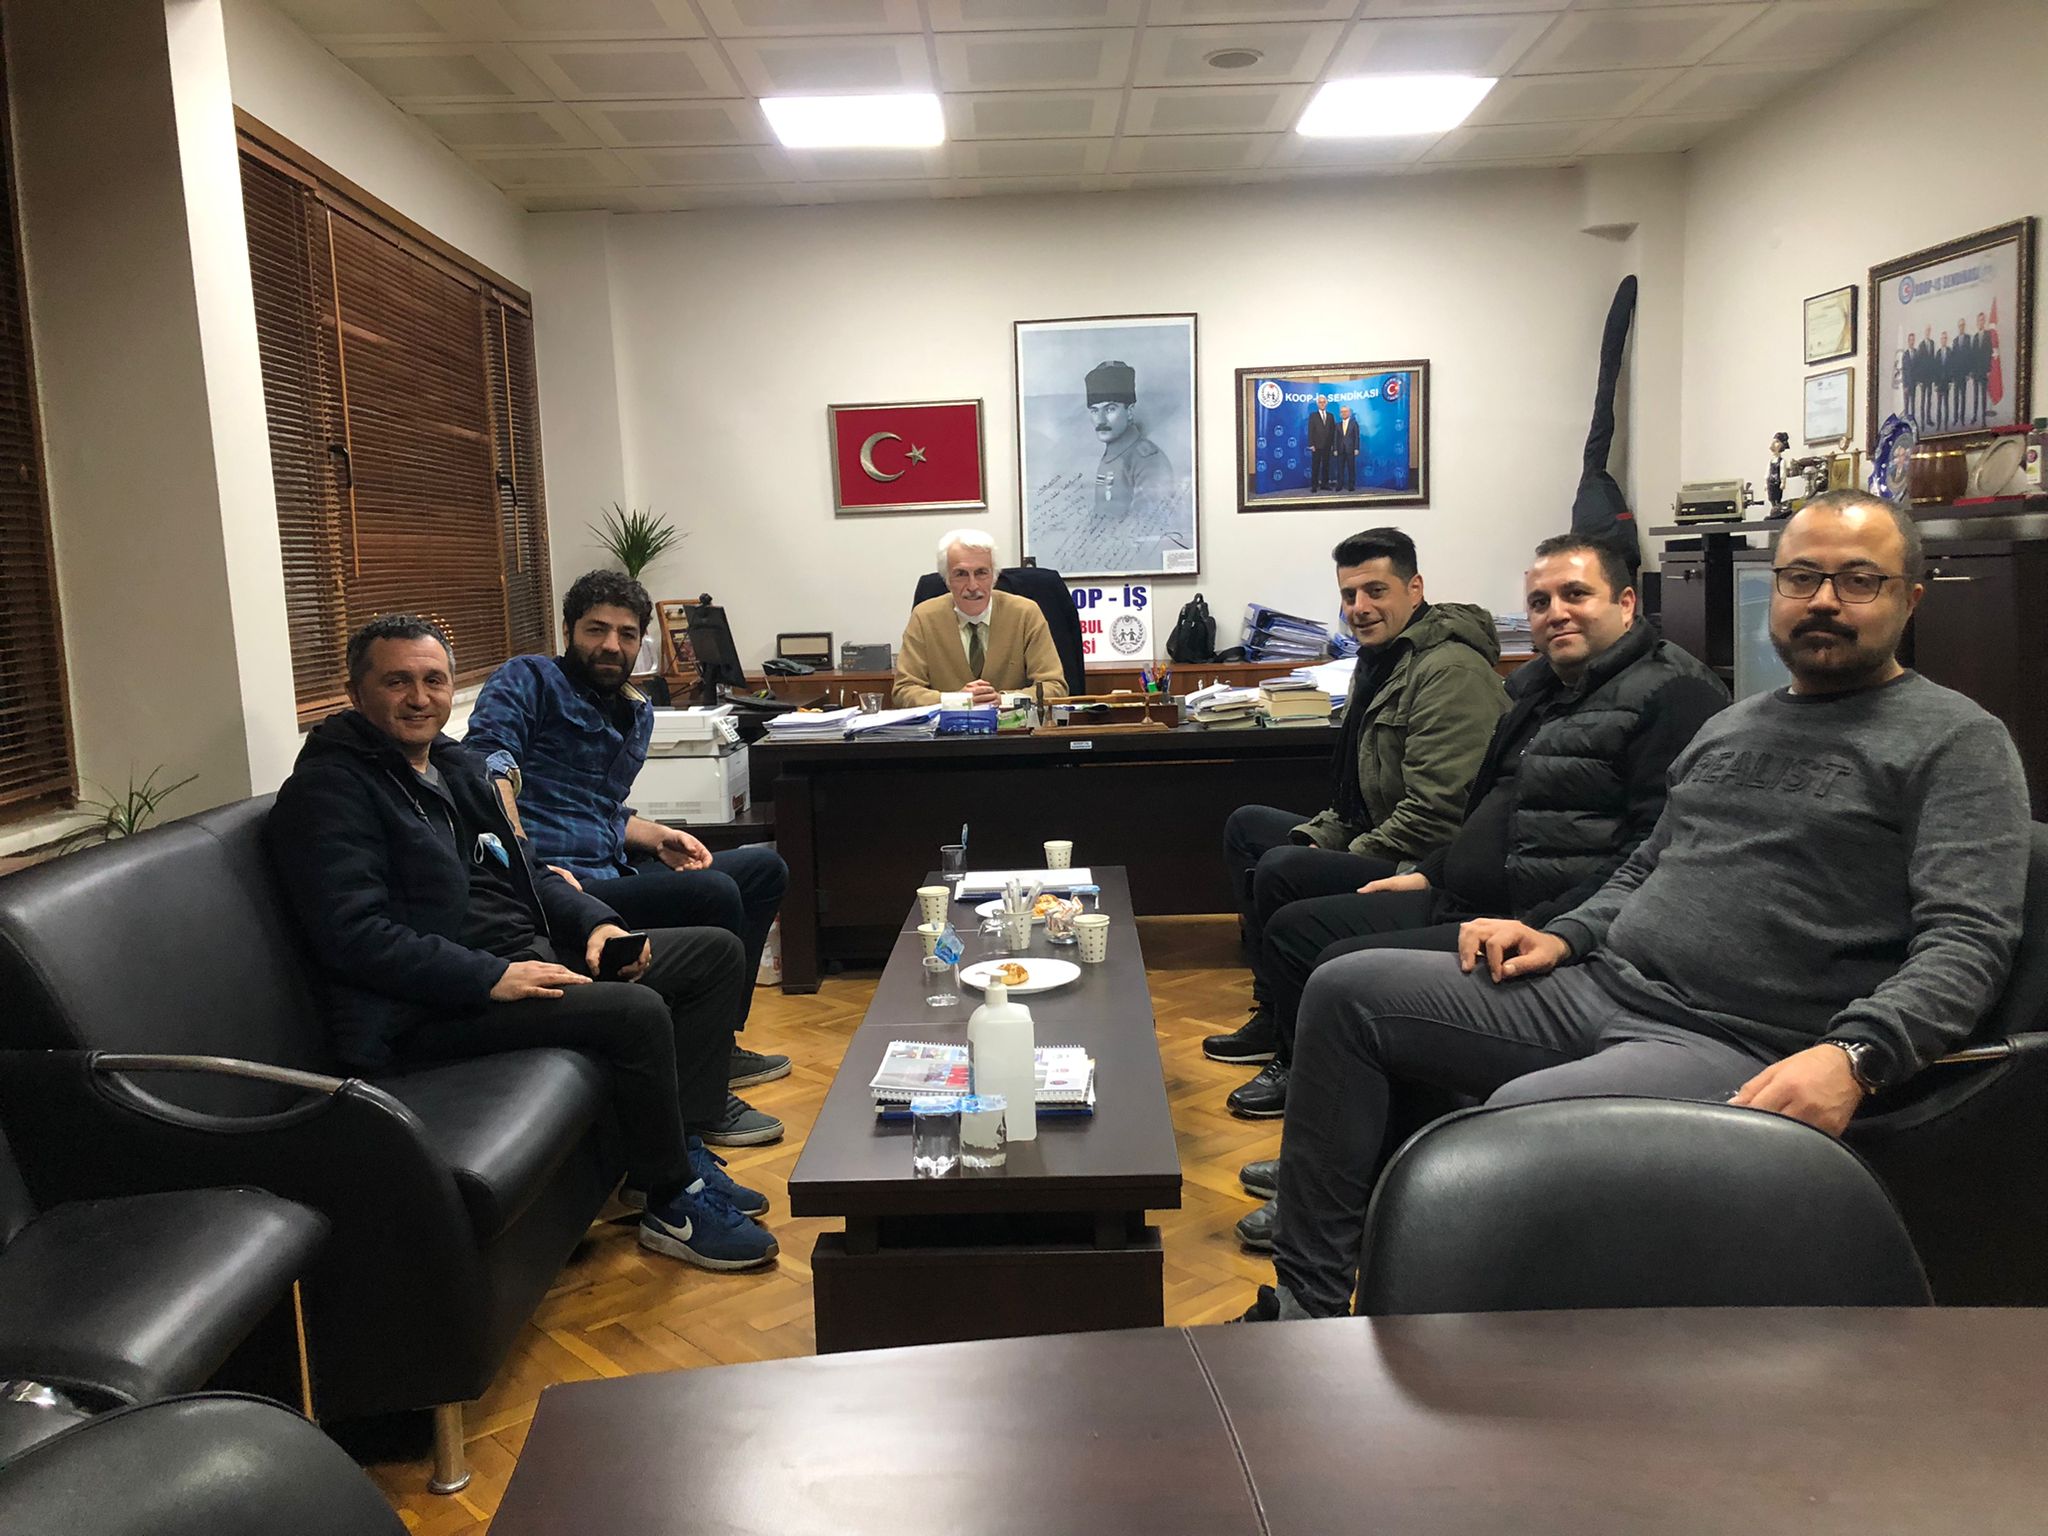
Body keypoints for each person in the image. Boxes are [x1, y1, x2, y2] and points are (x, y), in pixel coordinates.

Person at [1244, 491, 2030, 1321]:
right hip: (1604, 984)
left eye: (1859, 580)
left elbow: (1969, 941)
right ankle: (1306, 1306)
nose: (1824, 600)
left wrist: (1856, 1055)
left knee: (1506, 1133)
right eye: (1802, 578)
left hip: (1739, 1039)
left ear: (1911, 597)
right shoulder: (1735, 726)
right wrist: (1563, 935)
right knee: (1346, 988)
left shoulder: (1956, 741)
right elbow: (1648, 863)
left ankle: (1433, 1359)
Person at [1227, 536, 1727, 1246]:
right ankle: (1332, 1149)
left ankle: (1354, 1180)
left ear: (1625, 602)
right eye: (1540, 601)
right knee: (1297, 929)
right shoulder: (1538, 688)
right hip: (1462, 893)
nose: (1555, 613)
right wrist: (1430, 870)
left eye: (1575, 595)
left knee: (1345, 971)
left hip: (1536, 921)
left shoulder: (1674, 695)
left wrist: (1559, 929)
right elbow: (1486, 810)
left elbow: (1652, 852)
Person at [266, 616, 779, 1271]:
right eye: (397, 682)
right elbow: (353, 937)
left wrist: (596, 923)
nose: (419, 698)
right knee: (636, 1010)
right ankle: (671, 1201)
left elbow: (529, 870)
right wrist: (489, 977)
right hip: (426, 1010)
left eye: (433, 681)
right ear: (355, 692)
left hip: (520, 959)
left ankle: (676, 1148)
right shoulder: (329, 791)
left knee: (713, 953)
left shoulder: (452, 768)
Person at [465, 571, 791, 1133]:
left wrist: (657, 836)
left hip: (610, 867)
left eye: (627, 633)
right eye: (596, 630)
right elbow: (486, 765)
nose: (612, 645)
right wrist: (525, 864)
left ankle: (718, 1045)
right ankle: (702, 1098)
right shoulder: (530, 678)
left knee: (763, 868)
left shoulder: (634, 709)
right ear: (568, 630)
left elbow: (602, 809)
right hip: (561, 888)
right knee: (711, 891)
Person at [1206, 527, 1508, 1068]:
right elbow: (1358, 800)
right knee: (1248, 827)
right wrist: (1319, 837)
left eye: (1376, 591)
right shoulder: (1380, 663)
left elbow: (1439, 815)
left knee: (1282, 868)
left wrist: (1341, 853)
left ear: (1415, 589)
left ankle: (1297, 1055)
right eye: (1349, 595)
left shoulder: (1450, 672)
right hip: (1388, 835)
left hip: (1427, 862)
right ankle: (1275, 1013)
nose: (1359, 608)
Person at [894, 528, 1069, 706]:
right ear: (947, 579)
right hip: (949, 723)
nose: (972, 586)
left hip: (1011, 722)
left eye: (981, 573)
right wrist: (957, 700)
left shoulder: (1025, 613)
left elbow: (1054, 686)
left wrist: (1004, 700)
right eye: (961, 574)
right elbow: (904, 690)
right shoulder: (924, 617)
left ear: (994, 576)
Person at [1083, 359, 1183, 561]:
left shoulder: (1148, 460)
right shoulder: (1112, 455)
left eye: (1110, 409)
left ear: (1129, 412)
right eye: (1094, 410)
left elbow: (1149, 530)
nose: (1100, 420)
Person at [1307, 394, 1337, 492]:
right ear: (1317, 404)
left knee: (1326, 466)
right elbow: (1310, 430)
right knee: (1315, 466)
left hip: (1327, 446)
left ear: (1326, 403)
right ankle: (1314, 485)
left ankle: (1325, 484)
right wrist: (1311, 444)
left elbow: (1333, 431)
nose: (1322, 404)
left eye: (1324, 402)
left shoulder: (1331, 416)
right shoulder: (1313, 416)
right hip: (1316, 446)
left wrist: (1333, 445)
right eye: (1320, 402)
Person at [1333, 404, 1360, 493]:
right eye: (1342, 412)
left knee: (1351, 468)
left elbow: (1356, 437)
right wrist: (1335, 449)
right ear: (1340, 414)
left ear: (1349, 413)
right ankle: (1339, 485)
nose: (1344, 413)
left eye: (1345, 411)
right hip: (1340, 450)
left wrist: (1356, 448)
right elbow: (1335, 438)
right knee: (1340, 468)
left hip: (1350, 449)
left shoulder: (1354, 423)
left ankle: (1351, 485)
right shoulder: (1337, 425)